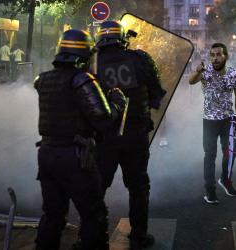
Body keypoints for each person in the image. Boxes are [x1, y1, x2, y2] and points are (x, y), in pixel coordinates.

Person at [34, 29, 126, 250]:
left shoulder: (43, 79)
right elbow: (103, 118)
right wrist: (117, 102)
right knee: (93, 213)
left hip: (46, 154)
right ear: (85, 54)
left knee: (53, 214)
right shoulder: (82, 79)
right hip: (75, 156)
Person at [91, 20, 166, 249]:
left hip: (104, 138)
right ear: (122, 38)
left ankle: (93, 237)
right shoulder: (141, 59)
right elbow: (156, 96)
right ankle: (138, 237)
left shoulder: (91, 64)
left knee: (96, 189)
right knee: (138, 187)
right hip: (136, 136)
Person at [189, 43, 236, 204]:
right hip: (210, 121)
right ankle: (210, 191)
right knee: (210, 156)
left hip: (228, 119)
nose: (215, 58)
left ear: (226, 56)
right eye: (212, 55)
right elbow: (191, 81)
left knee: (230, 153)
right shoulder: (205, 72)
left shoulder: (234, 74)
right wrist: (198, 70)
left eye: (219, 54)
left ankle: (225, 180)